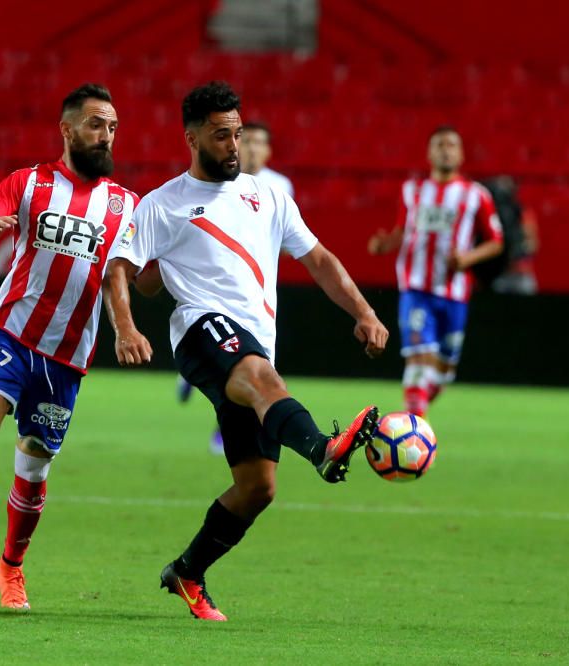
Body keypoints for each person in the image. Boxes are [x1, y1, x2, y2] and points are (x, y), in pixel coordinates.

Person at [102, 81, 388, 621]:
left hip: (256, 343)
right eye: (220, 135)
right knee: (260, 377)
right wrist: (125, 327)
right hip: (201, 331)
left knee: (256, 487)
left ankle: (186, 572)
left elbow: (319, 259)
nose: (233, 145)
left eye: (237, 133)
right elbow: (122, 268)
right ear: (191, 137)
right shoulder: (163, 204)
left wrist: (365, 313)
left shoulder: (269, 195)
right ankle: (325, 450)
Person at [0, 83, 141, 610]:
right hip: (9, 335)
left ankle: (10, 567)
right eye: (94, 124)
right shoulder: (28, 183)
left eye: (111, 127)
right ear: (67, 130)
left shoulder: (124, 205)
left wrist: (126, 328)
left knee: (35, 462)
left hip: (66, 356)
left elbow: (116, 276)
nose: (105, 135)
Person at [177, 120, 297, 455]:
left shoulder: (279, 187)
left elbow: (288, 239)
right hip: (216, 288)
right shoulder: (216, 182)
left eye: (260, 143)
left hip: (258, 288)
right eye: (248, 141)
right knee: (243, 364)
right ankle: (222, 428)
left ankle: (203, 394)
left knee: (258, 362)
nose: (253, 148)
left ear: (269, 151)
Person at [367, 126, 504, 417]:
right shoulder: (413, 190)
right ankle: (412, 437)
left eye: (451, 145)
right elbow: (403, 231)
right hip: (416, 290)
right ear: (429, 153)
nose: (446, 150)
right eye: (440, 145)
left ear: (461, 153)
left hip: (454, 293)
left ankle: (412, 425)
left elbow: (496, 242)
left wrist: (467, 259)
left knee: (442, 375)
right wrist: (385, 244)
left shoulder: (476, 195)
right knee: (419, 361)